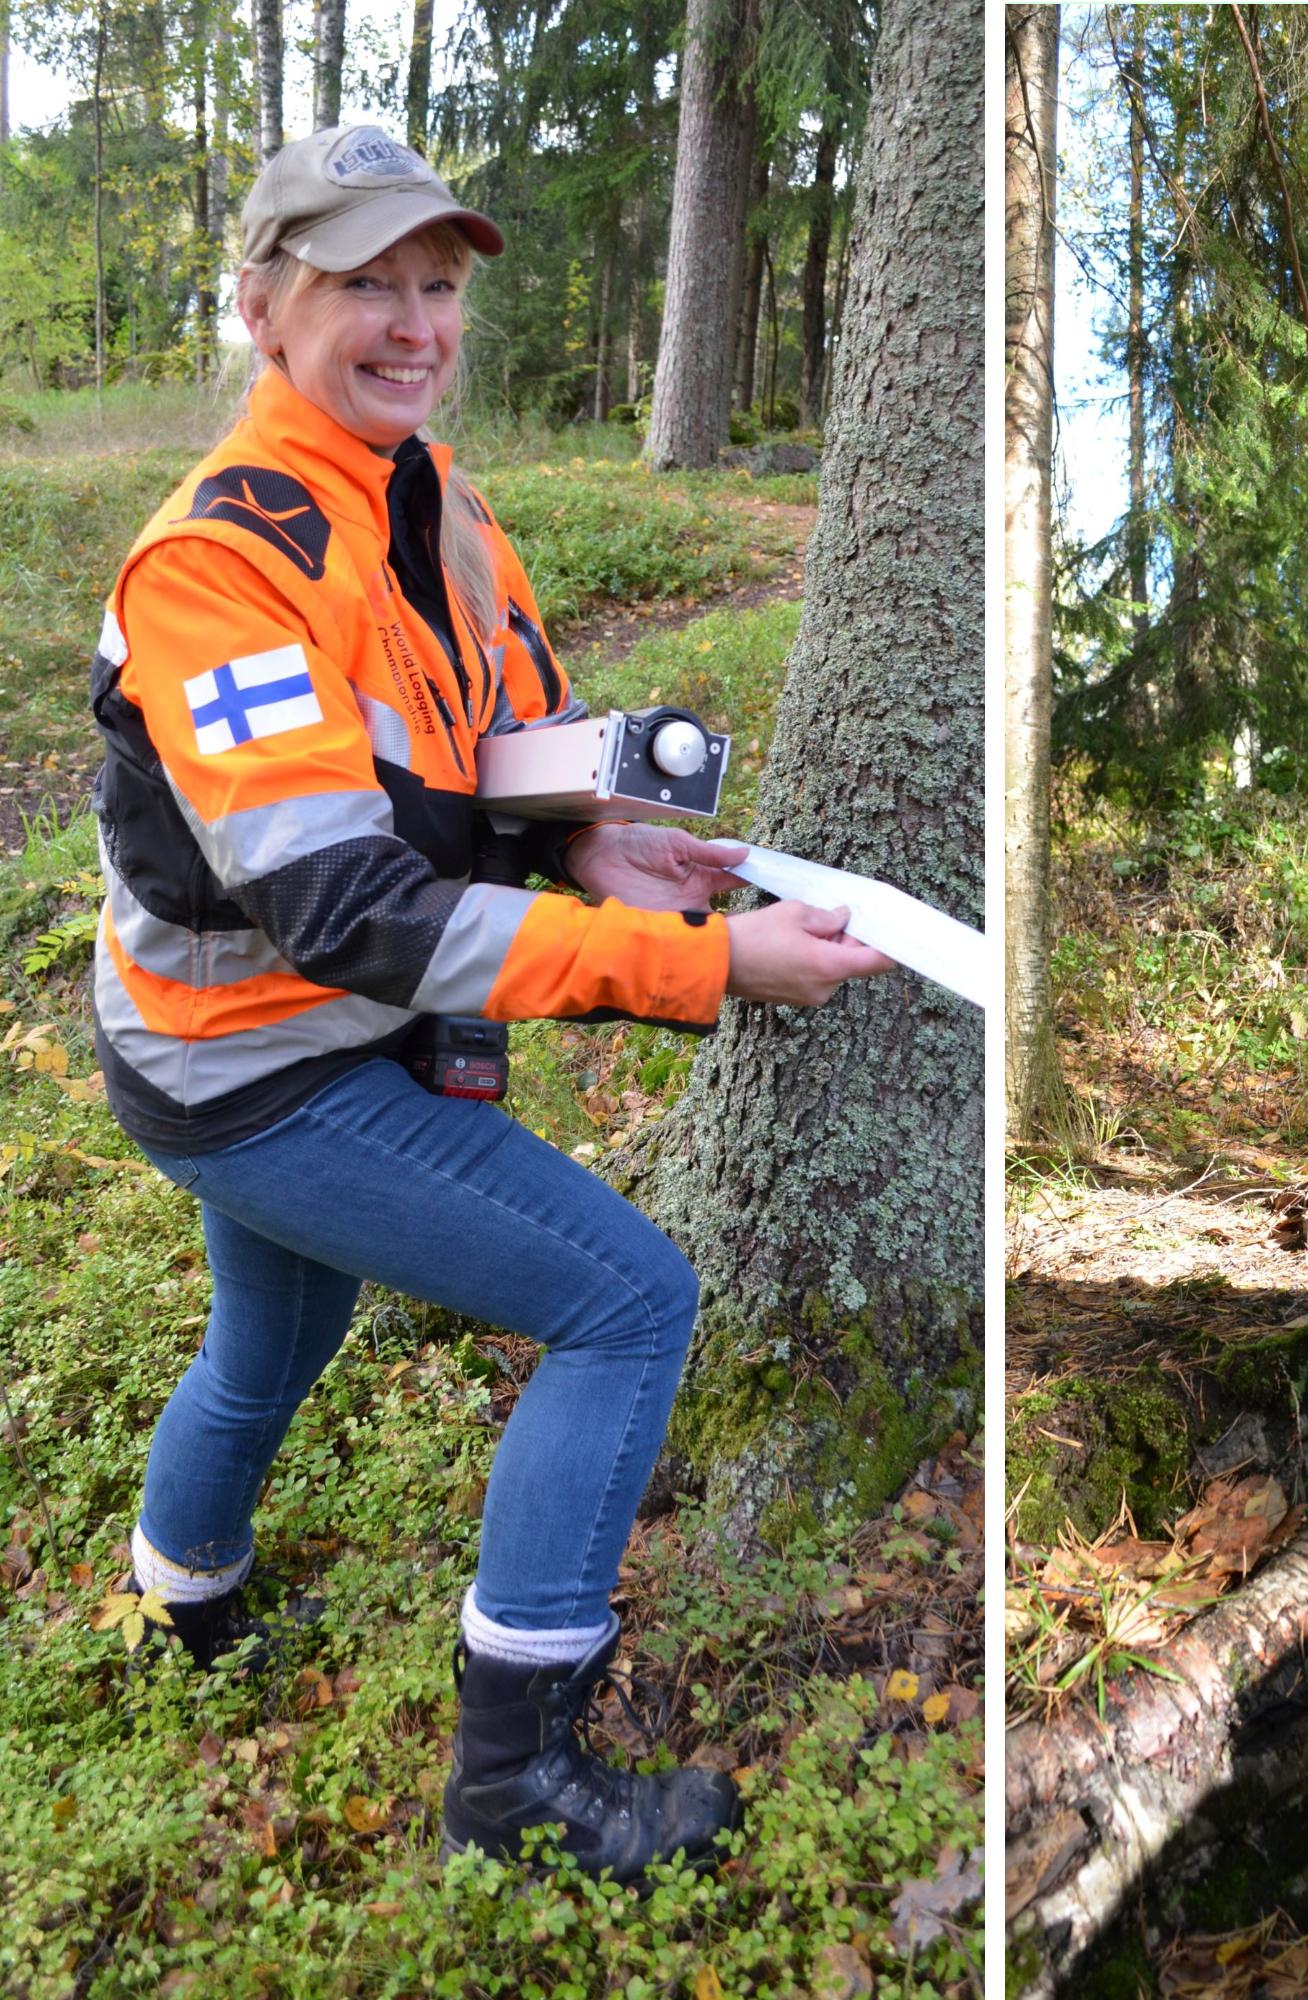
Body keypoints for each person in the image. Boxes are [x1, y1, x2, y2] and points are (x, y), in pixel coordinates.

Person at [87, 124, 893, 1884]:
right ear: (261, 305)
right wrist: (700, 967)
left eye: (435, 285)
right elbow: (346, 909)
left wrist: (594, 843)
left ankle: (178, 1604)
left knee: (278, 1337)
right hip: (247, 1061)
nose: (410, 322)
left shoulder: (436, 500)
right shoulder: (215, 571)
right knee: (627, 1300)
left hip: (308, 1034)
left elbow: (500, 745)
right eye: (363, 281)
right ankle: (518, 1778)